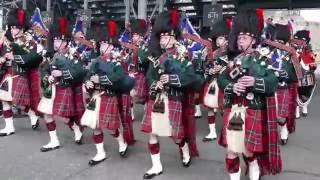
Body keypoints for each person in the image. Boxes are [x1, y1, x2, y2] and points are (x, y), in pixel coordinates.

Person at [217, 9, 282, 180]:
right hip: (234, 110)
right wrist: (232, 86)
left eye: (244, 38)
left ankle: (253, 165)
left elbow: (273, 82)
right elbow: (221, 80)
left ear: (253, 40)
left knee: (248, 150)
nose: (240, 41)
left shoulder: (262, 60)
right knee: (231, 150)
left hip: (253, 110)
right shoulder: (234, 62)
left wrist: (255, 82)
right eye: (238, 38)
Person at [141, 10, 198, 179]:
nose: (163, 41)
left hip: (174, 99)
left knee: (176, 135)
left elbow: (192, 79)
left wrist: (172, 79)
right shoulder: (156, 57)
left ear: (174, 37)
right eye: (161, 38)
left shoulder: (183, 56)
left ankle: (184, 148)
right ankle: (156, 166)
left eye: (166, 38)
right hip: (157, 98)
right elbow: (149, 76)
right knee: (152, 133)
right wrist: (155, 83)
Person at [82, 20, 135, 166]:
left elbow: (119, 77)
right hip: (95, 96)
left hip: (109, 96)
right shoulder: (96, 60)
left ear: (111, 46)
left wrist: (100, 78)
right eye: (101, 44)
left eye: (105, 44)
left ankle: (121, 142)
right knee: (95, 126)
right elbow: (88, 75)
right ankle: (100, 153)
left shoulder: (118, 61)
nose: (101, 46)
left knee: (111, 127)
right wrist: (88, 82)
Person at [38, 16, 85, 152]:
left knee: (64, 117)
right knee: (47, 114)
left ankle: (76, 129)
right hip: (52, 89)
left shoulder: (73, 54)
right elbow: (45, 70)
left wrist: (62, 74)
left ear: (65, 42)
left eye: (59, 40)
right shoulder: (50, 55)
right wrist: (48, 77)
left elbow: (79, 72)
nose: (56, 42)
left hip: (66, 88)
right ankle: (54, 141)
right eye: (55, 39)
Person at [0, 8, 42, 136]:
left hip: (21, 74)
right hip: (8, 74)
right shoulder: (8, 40)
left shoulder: (29, 40)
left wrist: (15, 57)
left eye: (15, 28)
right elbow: (3, 54)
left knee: (20, 103)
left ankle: (32, 114)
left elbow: (34, 57)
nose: (12, 30)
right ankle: (9, 127)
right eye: (11, 28)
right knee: (4, 99)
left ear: (22, 27)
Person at [293, 30, 317, 118]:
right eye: (297, 39)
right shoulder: (291, 49)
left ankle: (305, 107)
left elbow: (313, 64)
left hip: (307, 76)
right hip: (295, 75)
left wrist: (311, 64)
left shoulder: (308, 50)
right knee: (295, 92)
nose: (298, 41)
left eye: (301, 40)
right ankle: (296, 109)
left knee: (306, 92)